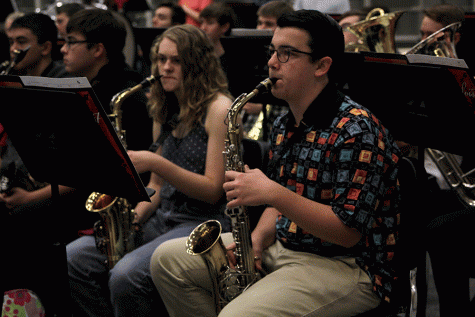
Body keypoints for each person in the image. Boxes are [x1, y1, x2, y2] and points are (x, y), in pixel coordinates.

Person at [151, 9, 402, 317]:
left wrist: (271, 192)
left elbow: (347, 232)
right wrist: (256, 240)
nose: (271, 62)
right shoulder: (285, 123)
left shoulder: (357, 129)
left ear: (322, 66)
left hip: (347, 266)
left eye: (287, 54)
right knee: (167, 260)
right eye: (272, 51)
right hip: (285, 245)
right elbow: (281, 200)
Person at [67, 23, 233, 317]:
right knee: (75, 256)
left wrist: (157, 162)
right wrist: (135, 216)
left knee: (125, 276)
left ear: (197, 64)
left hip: (200, 223)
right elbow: (156, 186)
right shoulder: (165, 105)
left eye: (176, 61)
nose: (165, 68)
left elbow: (212, 191)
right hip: (162, 217)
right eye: (161, 59)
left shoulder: (219, 109)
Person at [415, 5, 474, 316]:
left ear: (455, 37)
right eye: (422, 34)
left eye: (431, 35)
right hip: (426, 185)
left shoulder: (468, 82)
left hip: (462, 192)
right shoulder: (414, 78)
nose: (423, 41)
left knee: (444, 233)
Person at [60, 8, 152, 152]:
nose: (63, 49)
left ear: (97, 50)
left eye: (71, 42)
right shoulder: (84, 85)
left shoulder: (128, 99)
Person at [242, 0, 293, 140]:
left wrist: (263, 105)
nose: (261, 28)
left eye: (269, 24)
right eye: (259, 23)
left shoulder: (292, 58)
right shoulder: (249, 55)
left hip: (278, 132)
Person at [5, 12, 68, 77]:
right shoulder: (18, 76)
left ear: (45, 48)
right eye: (11, 42)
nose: (12, 49)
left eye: (21, 42)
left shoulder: (63, 79)